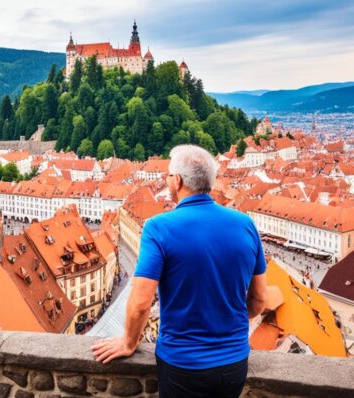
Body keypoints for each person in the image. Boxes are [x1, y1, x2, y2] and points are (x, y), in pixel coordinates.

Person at [92, 145, 268, 398]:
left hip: (183, 365)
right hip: (234, 363)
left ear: (177, 181)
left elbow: (141, 303)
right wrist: (228, 323)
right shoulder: (245, 224)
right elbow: (260, 299)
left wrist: (129, 342)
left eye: (168, 175)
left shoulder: (159, 227)